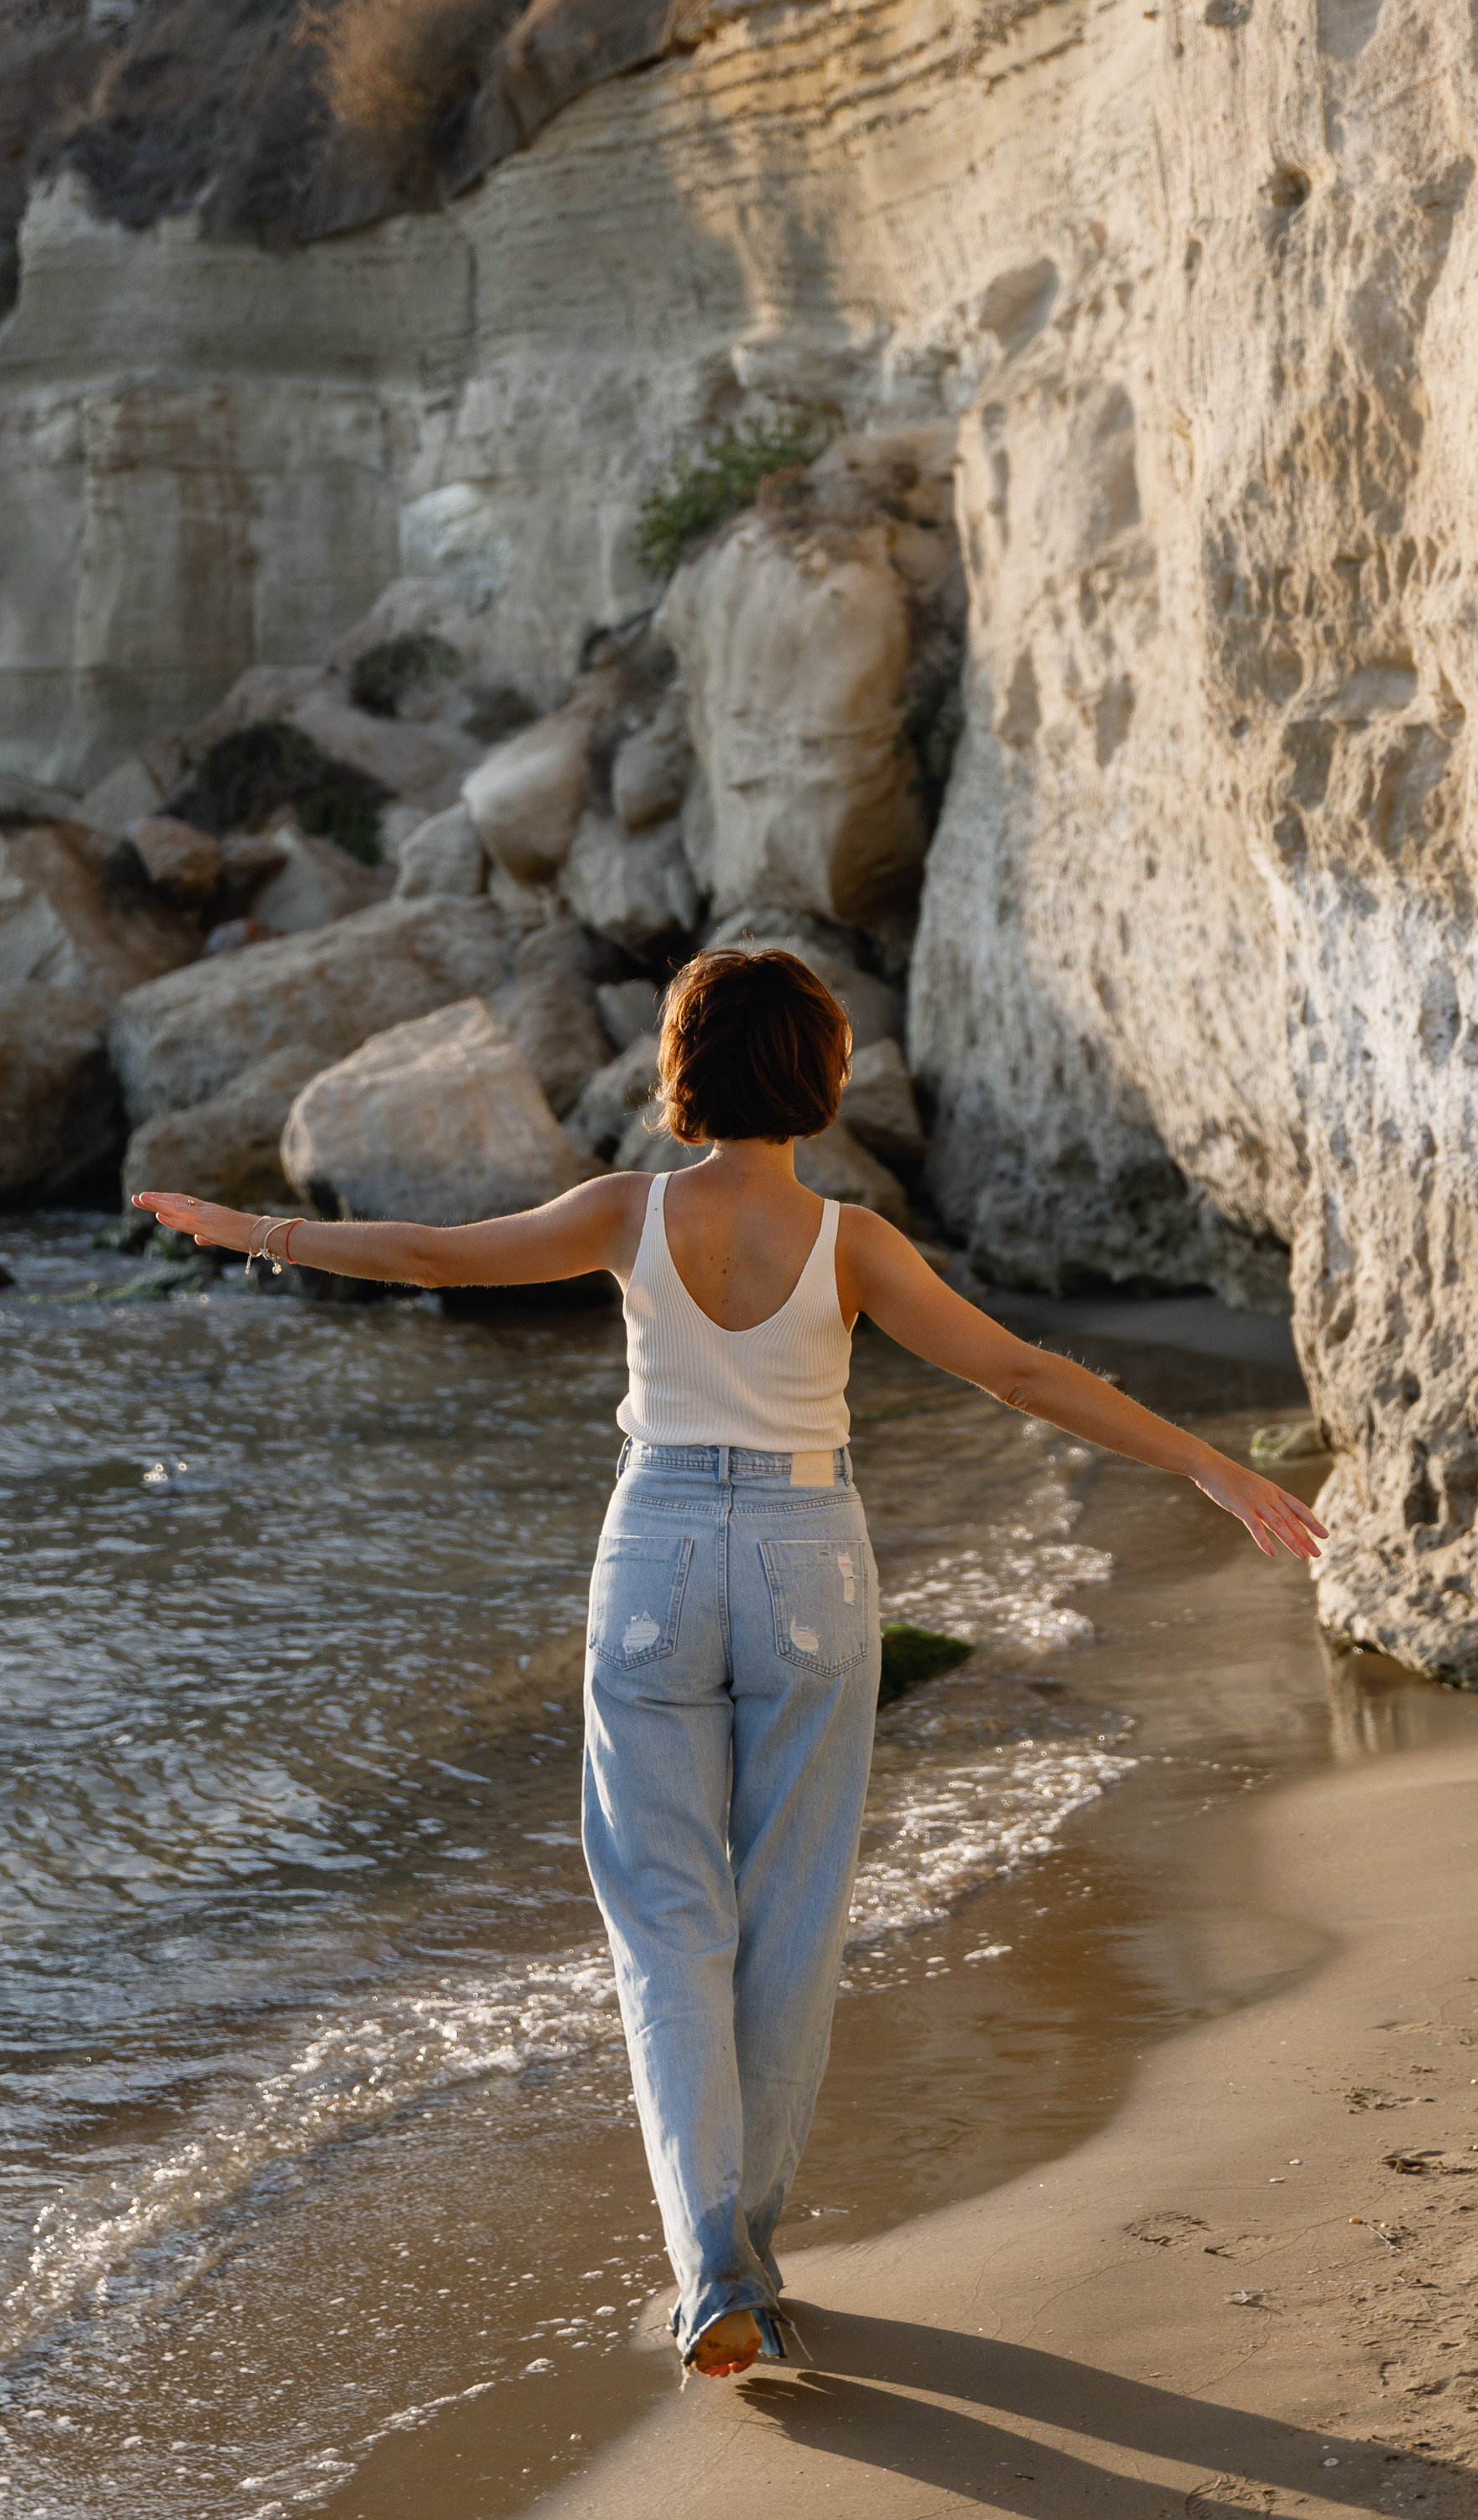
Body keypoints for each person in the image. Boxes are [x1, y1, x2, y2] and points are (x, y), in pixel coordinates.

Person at [135, 945, 1326, 2381]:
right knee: (791, 1914)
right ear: (820, 1079)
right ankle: (742, 2263)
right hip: (810, 1562)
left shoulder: (627, 1214)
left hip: (653, 1562)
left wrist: (252, 1228)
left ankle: (716, 2280)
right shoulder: (852, 1243)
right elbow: (1019, 1371)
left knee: (667, 1926)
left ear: (683, 1075)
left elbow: (438, 1255)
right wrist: (1207, 1468)